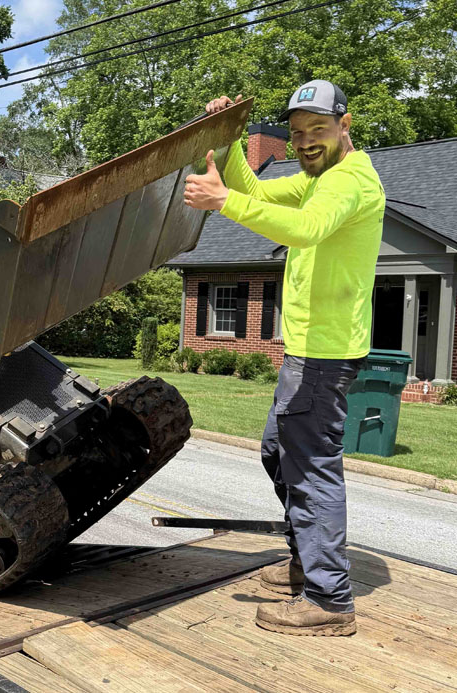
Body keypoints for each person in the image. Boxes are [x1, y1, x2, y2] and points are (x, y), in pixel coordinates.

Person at [184, 81, 385, 636]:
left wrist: (222, 201)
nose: (305, 141)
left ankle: (328, 599)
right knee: (279, 452)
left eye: (317, 129)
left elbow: (304, 227)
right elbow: (256, 189)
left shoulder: (348, 181)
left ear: (345, 125)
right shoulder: (316, 180)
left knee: (312, 468)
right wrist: (230, 138)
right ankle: (306, 562)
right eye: (297, 133)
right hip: (306, 352)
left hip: (324, 355)